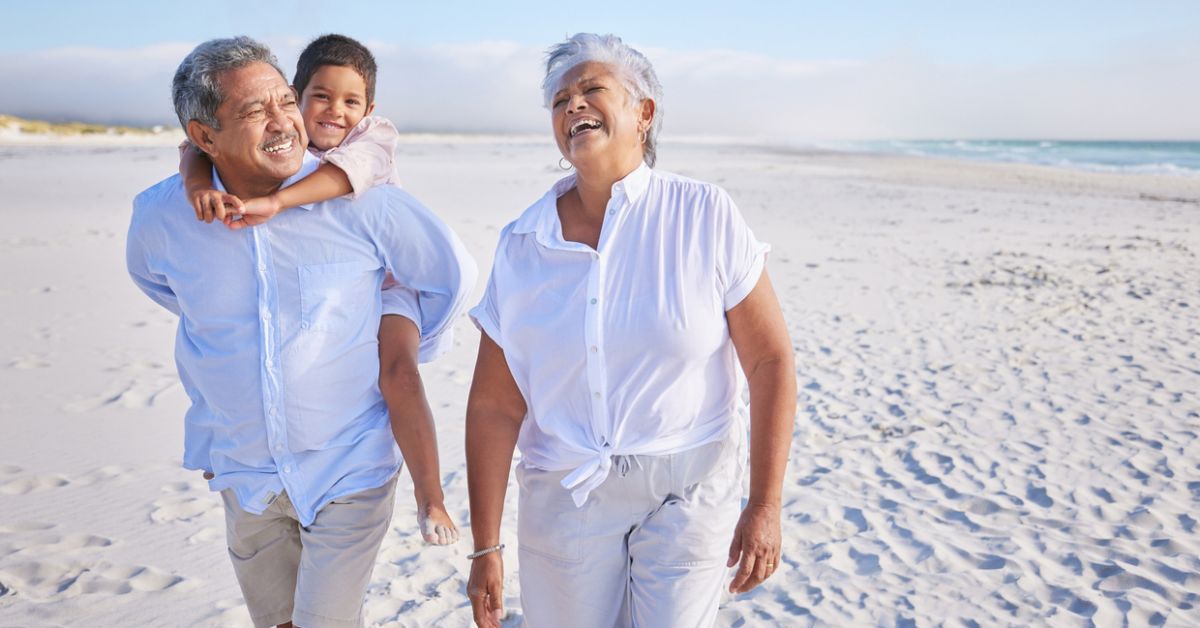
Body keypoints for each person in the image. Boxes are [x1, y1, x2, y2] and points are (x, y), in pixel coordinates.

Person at [126, 37, 476, 628]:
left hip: (348, 464)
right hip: (245, 472)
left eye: (285, 101)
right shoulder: (163, 217)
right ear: (204, 136)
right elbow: (161, 287)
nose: (283, 121)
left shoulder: (363, 199)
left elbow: (452, 279)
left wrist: (401, 331)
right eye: (254, 111)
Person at [464, 33, 796, 628]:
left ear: (644, 113)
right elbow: (493, 404)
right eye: (560, 100)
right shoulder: (522, 244)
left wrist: (766, 505)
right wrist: (485, 546)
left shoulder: (704, 214)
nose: (573, 107)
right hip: (566, 491)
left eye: (592, 89)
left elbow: (770, 361)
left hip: (687, 487)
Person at [178, 33, 459, 546]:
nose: (335, 111)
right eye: (320, 97)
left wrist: (279, 203)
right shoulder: (279, 135)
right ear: (294, 96)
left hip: (389, 281)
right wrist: (199, 187)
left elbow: (341, 181)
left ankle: (430, 496)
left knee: (398, 374)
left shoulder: (373, 139)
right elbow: (192, 151)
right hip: (335, 285)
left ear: (369, 109)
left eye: (351, 101)